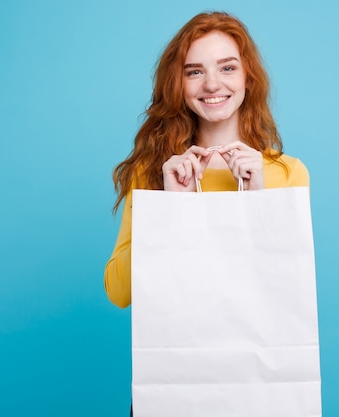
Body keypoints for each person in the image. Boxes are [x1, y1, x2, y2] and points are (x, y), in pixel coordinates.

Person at [104, 10, 309, 309]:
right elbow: (119, 293)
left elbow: (293, 290)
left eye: (227, 68)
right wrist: (170, 210)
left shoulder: (288, 173)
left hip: (260, 354)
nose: (212, 85)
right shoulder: (154, 172)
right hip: (180, 350)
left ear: (248, 78)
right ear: (179, 85)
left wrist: (258, 206)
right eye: (195, 72)